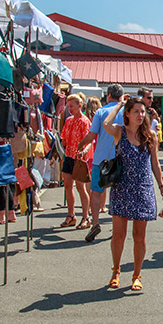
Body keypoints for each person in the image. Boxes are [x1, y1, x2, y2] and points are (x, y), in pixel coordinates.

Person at [102, 96, 163, 291]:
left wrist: (162, 188)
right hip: (122, 187)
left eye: (143, 112)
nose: (141, 115)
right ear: (128, 114)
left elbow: (155, 164)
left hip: (142, 188)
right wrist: (119, 105)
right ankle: (116, 270)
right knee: (119, 235)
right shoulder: (119, 132)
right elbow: (106, 123)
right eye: (136, 112)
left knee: (139, 235)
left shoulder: (150, 135)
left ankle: (136, 274)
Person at [77, 84, 124, 241]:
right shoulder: (126, 112)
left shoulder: (101, 112)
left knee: (96, 192)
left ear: (109, 95)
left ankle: (95, 223)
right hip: (121, 158)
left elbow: (91, 135)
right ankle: (116, 224)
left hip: (101, 159)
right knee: (117, 193)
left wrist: (80, 144)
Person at [60, 94, 93, 229]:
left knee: (81, 187)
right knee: (67, 185)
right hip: (69, 155)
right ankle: (71, 215)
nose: (70, 109)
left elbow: (89, 140)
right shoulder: (69, 120)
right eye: (68, 107)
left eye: (71, 106)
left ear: (79, 106)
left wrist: (84, 151)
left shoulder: (85, 121)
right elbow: (64, 138)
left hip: (79, 158)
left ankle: (86, 216)